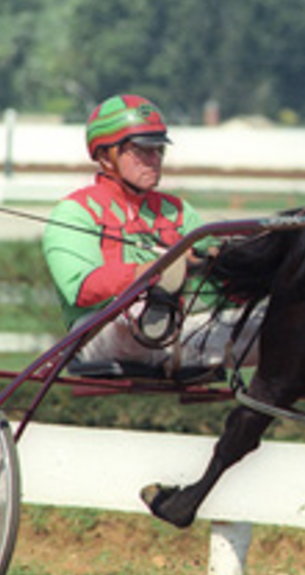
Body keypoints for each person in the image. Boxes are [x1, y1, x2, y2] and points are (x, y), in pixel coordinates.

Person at [42, 93, 257, 379]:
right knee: (137, 313)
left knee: (279, 321)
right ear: (106, 156)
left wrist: (226, 266)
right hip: (103, 333)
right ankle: (179, 348)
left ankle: (184, 353)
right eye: (141, 150)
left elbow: (222, 287)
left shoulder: (178, 211)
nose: (154, 159)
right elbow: (82, 288)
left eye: (158, 150)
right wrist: (153, 272)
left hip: (176, 331)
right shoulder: (75, 211)